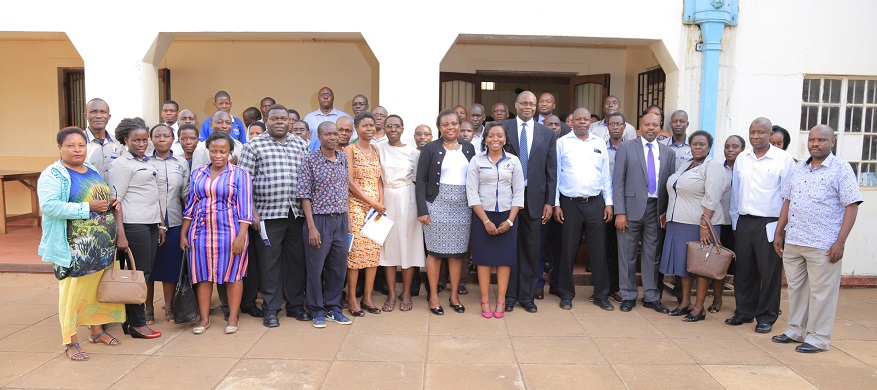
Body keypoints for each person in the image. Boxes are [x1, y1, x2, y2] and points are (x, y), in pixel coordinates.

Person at [772, 125, 863, 353]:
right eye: (812, 139)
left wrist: (840, 241)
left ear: (832, 142)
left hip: (823, 244)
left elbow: (851, 206)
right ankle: (796, 330)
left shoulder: (841, 169)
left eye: (822, 140)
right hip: (795, 240)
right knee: (796, 289)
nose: (815, 143)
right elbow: (787, 201)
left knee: (822, 293)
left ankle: (818, 338)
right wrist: (778, 232)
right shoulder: (799, 168)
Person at [38, 127, 125, 361]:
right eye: (71, 145)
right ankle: (70, 339)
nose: (77, 150)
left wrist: (110, 202)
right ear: (59, 148)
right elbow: (49, 206)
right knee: (72, 294)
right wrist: (87, 208)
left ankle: (96, 331)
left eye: (81, 145)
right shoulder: (53, 175)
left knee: (96, 291)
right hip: (73, 248)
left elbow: (97, 197)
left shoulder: (92, 169)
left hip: (101, 246)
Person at [237, 104, 311, 327]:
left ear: (290, 122)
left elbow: (307, 179)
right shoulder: (253, 146)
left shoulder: (301, 144)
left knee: (296, 262)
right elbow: (244, 183)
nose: (280, 122)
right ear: (266, 121)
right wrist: (252, 213)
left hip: (296, 213)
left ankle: (295, 306)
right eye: (275, 118)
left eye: (284, 119)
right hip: (267, 215)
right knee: (270, 264)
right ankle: (271, 308)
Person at [727, 117, 796, 333]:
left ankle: (766, 316)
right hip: (744, 222)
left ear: (770, 134)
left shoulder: (783, 159)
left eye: (761, 132)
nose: (756, 136)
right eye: (752, 132)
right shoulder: (742, 159)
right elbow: (735, 193)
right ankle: (744, 311)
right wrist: (735, 224)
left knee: (769, 273)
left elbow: (788, 197)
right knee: (744, 270)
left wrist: (781, 229)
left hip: (770, 224)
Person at [181, 132, 253, 335]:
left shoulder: (240, 174)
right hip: (201, 232)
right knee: (202, 276)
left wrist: (241, 237)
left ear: (230, 152)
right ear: (208, 151)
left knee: (233, 274)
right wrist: (183, 234)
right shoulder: (198, 173)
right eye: (214, 151)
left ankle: (233, 316)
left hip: (230, 232)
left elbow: (246, 211)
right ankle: (204, 318)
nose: (218, 155)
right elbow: (190, 207)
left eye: (223, 151)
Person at [613, 112, 677, 313]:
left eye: (655, 125)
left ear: (660, 128)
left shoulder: (669, 153)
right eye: (647, 124)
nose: (651, 128)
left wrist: (666, 212)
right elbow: (618, 182)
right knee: (627, 253)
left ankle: (651, 296)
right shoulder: (626, 147)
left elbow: (669, 185)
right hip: (630, 209)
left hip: (656, 209)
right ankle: (628, 295)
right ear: (640, 127)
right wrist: (620, 212)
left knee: (652, 254)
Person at [659, 130, 726, 322]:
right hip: (678, 223)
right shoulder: (687, 164)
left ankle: (699, 308)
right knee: (683, 268)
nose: (698, 147)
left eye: (702, 144)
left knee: (700, 268)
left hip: (699, 225)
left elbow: (712, 197)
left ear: (709, 146)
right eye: (694, 144)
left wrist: (704, 223)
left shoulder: (712, 166)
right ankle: (685, 303)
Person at [552, 108, 614, 311]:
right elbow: (556, 176)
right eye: (577, 119)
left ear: (590, 122)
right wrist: (556, 204)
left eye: (585, 119)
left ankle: (601, 295)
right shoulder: (562, 143)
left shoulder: (598, 143)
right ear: (571, 122)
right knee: (567, 250)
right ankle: (566, 294)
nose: (581, 122)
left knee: (599, 251)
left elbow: (605, 175)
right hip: (570, 203)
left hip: (595, 202)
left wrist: (609, 202)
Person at [501, 91, 557, 314]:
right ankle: (510, 295)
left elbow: (551, 171)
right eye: (524, 103)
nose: (528, 107)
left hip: (535, 199)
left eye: (532, 104)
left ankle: (527, 295)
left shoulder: (546, 133)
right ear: (515, 105)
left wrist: (549, 202)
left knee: (531, 250)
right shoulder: (502, 128)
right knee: (510, 248)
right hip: (507, 198)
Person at [416, 109, 476, 315]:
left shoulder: (469, 148)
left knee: (458, 254)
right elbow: (421, 180)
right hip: (436, 205)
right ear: (439, 127)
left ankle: (454, 296)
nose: (450, 127)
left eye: (454, 123)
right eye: (445, 124)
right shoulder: (430, 149)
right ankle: (433, 296)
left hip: (462, 207)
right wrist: (423, 210)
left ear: (460, 125)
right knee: (434, 253)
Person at [107, 117, 162, 339]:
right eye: (136, 140)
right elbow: (115, 201)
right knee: (138, 274)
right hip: (132, 224)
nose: (141, 144)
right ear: (125, 140)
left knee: (144, 272)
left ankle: (131, 322)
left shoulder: (146, 161)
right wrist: (121, 233)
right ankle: (138, 324)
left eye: (144, 139)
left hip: (149, 222)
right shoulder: (121, 164)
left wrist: (160, 224)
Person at [298, 121, 354, 328]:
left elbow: (345, 189)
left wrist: (347, 220)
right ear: (319, 137)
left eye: (335, 133)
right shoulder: (310, 160)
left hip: (340, 220)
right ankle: (316, 310)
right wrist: (311, 227)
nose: (333, 137)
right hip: (319, 220)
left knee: (338, 268)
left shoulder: (342, 158)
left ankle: (334, 308)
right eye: (327, 134)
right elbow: (304, 196)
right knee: (315, 268)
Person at [466, 122, 525, 319]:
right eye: (491, 136)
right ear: (485, 139)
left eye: (499, 136)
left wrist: (510, 221)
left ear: (505, 139)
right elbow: (472, 193)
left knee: (504, 261)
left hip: (508, 216)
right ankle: (484, 299)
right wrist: (485, 221)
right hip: (483, 215)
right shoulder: (476, 160)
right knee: (483, 260)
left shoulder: (514, 162)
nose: (495, 139)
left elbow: (518, 193)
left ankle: (501, 299)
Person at [377, 115, 425, 312]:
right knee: (388, 248)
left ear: (403, 129)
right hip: (386, 199)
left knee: (408, 246)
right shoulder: (378, 149)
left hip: (408, 199)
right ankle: (390, 293)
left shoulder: (414, 153)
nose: (393, 129)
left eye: (397, 126)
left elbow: (418, 180)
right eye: (389, 126)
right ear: (385, 129)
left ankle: (406, 292)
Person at [145, 124, 190, 324]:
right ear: (150, 139)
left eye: (166, 136)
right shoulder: (144, 161)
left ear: (174, 139)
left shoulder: (181, 163)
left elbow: (186, 194)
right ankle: (147, 309)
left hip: (175, 221)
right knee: (148, 268)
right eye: (157, 136)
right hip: (147, 222)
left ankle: (170, 307)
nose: (162, 139)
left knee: (170, 267)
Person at [343, 111, 385, 316]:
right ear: (356, 128)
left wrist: (380, 204)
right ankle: (352, 298)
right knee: (355, 255)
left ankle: (367, 297)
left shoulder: (376, 150)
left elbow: (379, 180)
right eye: (365, 126)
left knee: (373, 254)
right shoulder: (350, 150)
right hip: (357, 208)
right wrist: (371, 203)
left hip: (375, 211)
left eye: (372, 125)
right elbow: (349, 182)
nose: (369, 129)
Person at [714, 135, 746, 313]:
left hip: (743, 225)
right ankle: (717, 300)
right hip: (722, 223)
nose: (730, 150)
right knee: (720, 266)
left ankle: (742, 305)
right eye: (727, 146)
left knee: (743, 268)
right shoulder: (718, 170)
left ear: (743, 149)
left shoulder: (748, 170)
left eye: (735, 146)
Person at [603, 112, 626, 303]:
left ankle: (618, 287)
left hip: (625, 205)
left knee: (621, 249)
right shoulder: (600, 148)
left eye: (619, 124)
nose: (615, 127)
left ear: (624, 127)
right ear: (607, 127)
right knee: (605, 247)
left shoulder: (631, 148)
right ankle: (605, 287)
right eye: (612, 124)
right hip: (604, 204)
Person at [83, 98, 120, 181]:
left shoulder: (117, 142)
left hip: (115, 193)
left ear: (109, 117)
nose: (99, 116)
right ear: (86, 116)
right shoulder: (78, 142)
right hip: (87, 192)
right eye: (93, 112)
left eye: (103, 112)